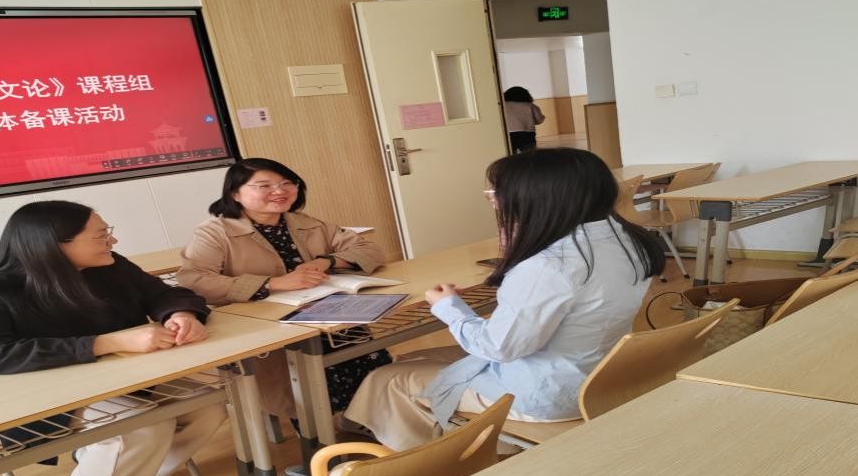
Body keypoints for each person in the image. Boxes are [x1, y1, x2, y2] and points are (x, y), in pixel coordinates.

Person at [343, 148, 666, 451]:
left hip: (547, 395)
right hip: (600, 374)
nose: (496, 204)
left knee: (388, 379)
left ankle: (431, 462)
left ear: (539, 199)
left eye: (498, 195)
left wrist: (449, 308)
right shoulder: (628, 240)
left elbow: (500, 347)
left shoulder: (548, 265)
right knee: (416, 358)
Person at [0, 200, 226, 476]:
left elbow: (163, 294)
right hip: (48, 397)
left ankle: (135, 474)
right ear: (56, 245)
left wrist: (180, 315)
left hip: (122, 380)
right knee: (140, 430)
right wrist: (104, 343)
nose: (113, 241)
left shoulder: (110, 266)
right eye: (101, 235)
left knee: (207, 405)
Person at [177, 158, 390, 422]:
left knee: (360, 358)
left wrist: (327, 261)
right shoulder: (214, 233)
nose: (279, 191)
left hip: (326, 312)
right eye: (264, 185)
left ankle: (367, 418)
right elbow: (194, 281)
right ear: (235, 194)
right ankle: (320, 430)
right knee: (304, 386)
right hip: (266, 325)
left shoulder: (305, 223)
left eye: (287, 183)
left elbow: (370, 249)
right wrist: (272, 283)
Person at [503, 86, 546, 153]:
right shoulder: (531, 105)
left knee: (511, 152)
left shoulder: (503, 105)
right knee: (529, 153)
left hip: (509, 133)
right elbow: (539, 120)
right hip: (527, 133)